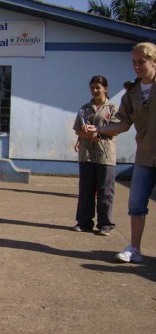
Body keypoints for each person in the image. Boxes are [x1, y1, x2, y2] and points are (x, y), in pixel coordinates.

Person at [87, 42, 156, 262]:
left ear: (154, 62)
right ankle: (134, 248)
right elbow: (122, 124)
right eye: (134, 62)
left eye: (141, 62)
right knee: (136, 204)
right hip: (145, 156)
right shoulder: (132, 94)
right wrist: (98, 129)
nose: (136, 66)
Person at [72, 75, 119, 236]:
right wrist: (85, 135)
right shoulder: (84, 108)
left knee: (105, 191)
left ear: (105, 88)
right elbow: (77, 129)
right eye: (92, 87)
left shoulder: (112, 108)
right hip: (86, 155)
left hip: (105, 155)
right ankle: (84, 222)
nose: (95, 90)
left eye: (98, 87)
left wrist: (98, 133)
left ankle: (105, 224)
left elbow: (116, 129)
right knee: (85, 191)